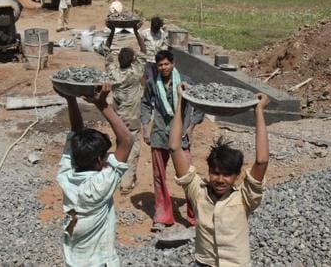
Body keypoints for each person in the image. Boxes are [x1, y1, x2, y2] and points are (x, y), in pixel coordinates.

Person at [169, 86, 270, 266]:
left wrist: (259, 111)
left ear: (237, 176)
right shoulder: (198, 192)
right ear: (209, 171)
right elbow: (174, 148)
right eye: (215, 173)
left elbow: (261, 161)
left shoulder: (245, 197)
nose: (220, 180)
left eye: (227, 175)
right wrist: (181, 102)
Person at [55, 83, 134, 267]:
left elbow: (76, 132)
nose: (109, 157)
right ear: (99, 160)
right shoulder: (98, 187)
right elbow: (127, 140)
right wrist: (102, 105)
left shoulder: (66, 175)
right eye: (106, 155)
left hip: (73, 259)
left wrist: (70, 98)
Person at [140, 50, 204, 231]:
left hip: (180, 134)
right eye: (160, 65)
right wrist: (146, 128)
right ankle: (162, 216)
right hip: (160, 134)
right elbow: (145, 104)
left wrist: (191, 127)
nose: (163, 68)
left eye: (166, 64)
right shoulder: (153, 83)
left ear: (173, 64)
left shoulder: (186, 82)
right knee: (159, 176)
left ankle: (194, 216)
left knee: (188, 176)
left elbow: (200, 103)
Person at [99, 20, 147, 194]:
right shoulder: (136, 73)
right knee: (132, 150)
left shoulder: (113, 74)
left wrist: (112, 31)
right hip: (133, 119)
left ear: (119, 60)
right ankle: (126, 184)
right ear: (133, 60)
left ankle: (116, 175)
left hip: (118, 119)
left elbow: (106, 49)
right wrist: (135, 30)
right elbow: (144, 51)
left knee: (121, 144)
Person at [139, 16, 168, 83]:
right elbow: (141, 46)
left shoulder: (162, 34)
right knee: (148, 79)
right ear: (151, 26)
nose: (155, 30)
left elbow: (165, 46)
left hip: (157, 61)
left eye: (156, 29)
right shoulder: (145, 33)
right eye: (154, 28)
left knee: (157, 79)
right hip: (147, 60)